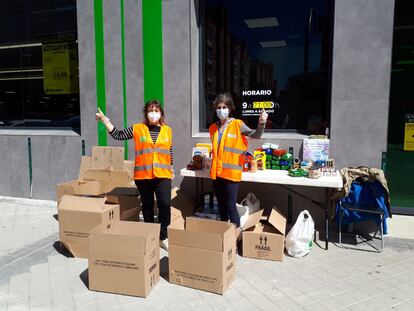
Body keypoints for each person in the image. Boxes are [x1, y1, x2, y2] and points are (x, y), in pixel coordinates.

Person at [95, 99, 173, 251]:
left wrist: (172, 168)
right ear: (146, 113)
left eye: (157, 110)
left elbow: (169, 151)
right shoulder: (138, 128)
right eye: (151, 110)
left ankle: (163, 236)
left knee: (165, 205)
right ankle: (150, 234)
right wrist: (105, 121)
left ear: (161, 113)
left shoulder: (167, 130)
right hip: (143, 176)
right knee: (148, 206)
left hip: (163, 175)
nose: (154, 113)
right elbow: (118, 135)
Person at [209, 93, 268, 228]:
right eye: (219, 107)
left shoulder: (237, 124)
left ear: (229, 109)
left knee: (231, 206)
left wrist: (261, 123)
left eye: (224, 107)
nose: (221, 110)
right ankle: (225, 237)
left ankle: (235, 239)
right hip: (216, 174)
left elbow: (256, 135)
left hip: (231, 174)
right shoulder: (213, 128)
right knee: (222, 207)